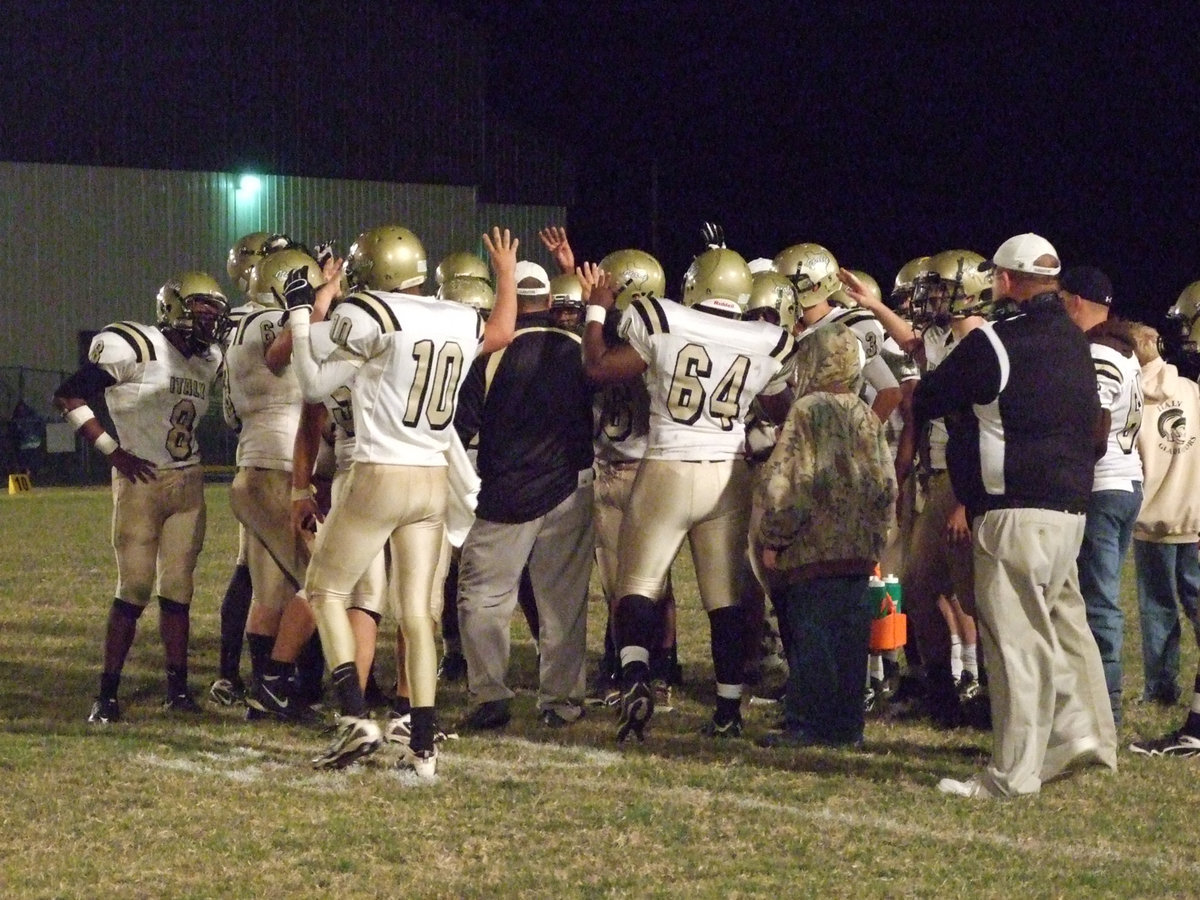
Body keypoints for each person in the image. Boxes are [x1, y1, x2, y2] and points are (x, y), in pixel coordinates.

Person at [285, 224, 518, 777]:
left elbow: (314, 383)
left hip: (380, 470)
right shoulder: (458, 315)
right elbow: (504, 330)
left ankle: (354, 716)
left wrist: (302, 312)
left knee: (324, 589)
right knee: (416, 613)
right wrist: (506, 274)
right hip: (432, 474)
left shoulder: (371, 312)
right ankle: (424, 745)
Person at [913, 233, 1116, 798]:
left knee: (1017, 645)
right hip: (1070, 512)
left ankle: (1013, 775)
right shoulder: (1076, 342)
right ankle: (1088, 737)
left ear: (1004, 280)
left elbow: (929, 395)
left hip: (1015, 512)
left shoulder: (996, 342)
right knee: (1067, 628)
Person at [581, 244, 796, 742]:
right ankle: (727, 709)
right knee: (725, 600)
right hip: (728, 473)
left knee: (637, 583)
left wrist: (597, 307)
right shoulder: (767, 338)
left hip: (668, 467)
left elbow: (597, 367)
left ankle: (636, 676)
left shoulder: (660, 317)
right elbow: (780, 404)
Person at [54, 272, 230, 722]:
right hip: (141, 483)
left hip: (187, 483)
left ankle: (178, 689)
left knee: (179, 591)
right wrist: (112, 451)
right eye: (202, 311)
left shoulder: (209, 359)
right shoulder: (137, 345)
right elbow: (69, 394)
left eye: (215, 312)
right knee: (132, 590)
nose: (211, 321)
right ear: (174, 310)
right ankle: (107, 694)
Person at [454, 258, 595, 730]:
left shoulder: (490, 353)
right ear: (551, 301)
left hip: (506, 495)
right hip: (570, 488)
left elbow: (460, 430)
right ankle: (561, 701)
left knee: (483, 598)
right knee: (563, 603)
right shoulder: (579, 349)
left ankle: (491, 693)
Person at [753, 323, 896, 747]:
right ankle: (846, 725)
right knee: (850, 640)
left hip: (813, 549)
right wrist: (878, 534)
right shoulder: (866, 413)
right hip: (857, 549)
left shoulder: (806, 410)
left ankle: (806, 723)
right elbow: (885, 481)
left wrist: (774, 537)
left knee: (811, 635)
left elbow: (789, 480)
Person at [1060, 266, 1144, 727]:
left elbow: (1094, 421)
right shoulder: (1124, 348)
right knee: (1099, 597)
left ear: (1074, 301)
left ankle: (1105, 708)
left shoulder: (1101, 352)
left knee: (1098, 601)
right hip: (1126, 480)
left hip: (1103, 484)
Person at [1125, 321, 1200, 756]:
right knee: (1195, 602)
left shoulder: (1131, 391)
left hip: (1151, 515)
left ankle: (1161, 686)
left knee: (1157, 607)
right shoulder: (1190, 390)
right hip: (1191, 512)